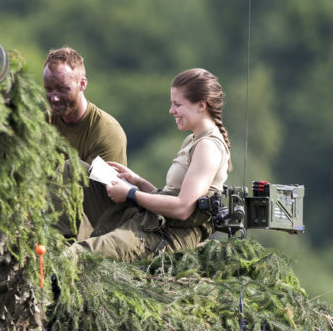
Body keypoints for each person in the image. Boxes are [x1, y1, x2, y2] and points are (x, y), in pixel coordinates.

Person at [73, 68, 231, 261]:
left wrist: (131, 194)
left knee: (79, 255)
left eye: (177, 104)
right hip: (157, 222)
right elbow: (171, 195)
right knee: (75, 170)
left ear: (201, 105)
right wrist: (138, 182)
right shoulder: (193, 140)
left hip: (169, 236)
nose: (171, 110)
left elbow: (182, 209)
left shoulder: (208, 147)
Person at [43, 47, 127, 237]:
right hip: (45, 213)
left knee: (70, 169)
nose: (54, 97)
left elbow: (106, 203)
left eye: (63, 89)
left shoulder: (106, 132)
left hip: (94, 226)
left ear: (82, 84)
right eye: (48, 89)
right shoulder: (41, 124)